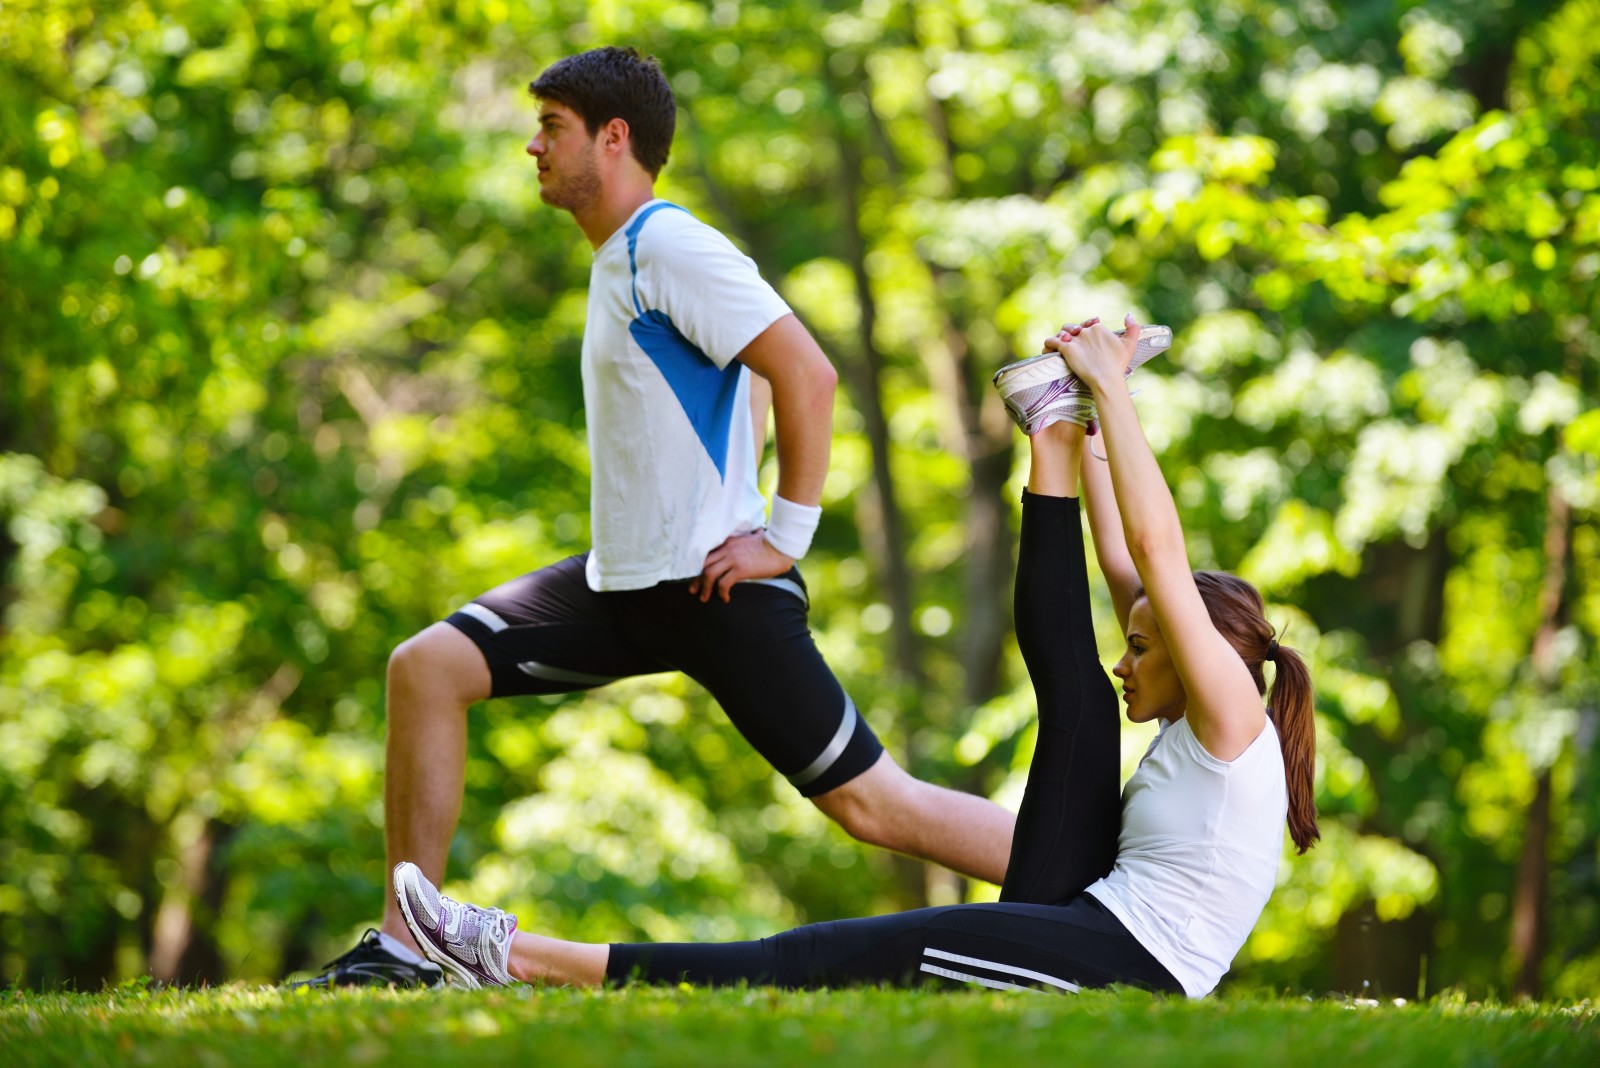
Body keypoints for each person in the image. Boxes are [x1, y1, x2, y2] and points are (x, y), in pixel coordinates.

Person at [295, 46, 1017, 988]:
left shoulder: (670, 243)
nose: (533, 147)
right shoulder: (617, 260)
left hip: (713, 591)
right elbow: (745, 381)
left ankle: (1102, 889)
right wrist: (736, 484)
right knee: (427, 668)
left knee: (873, 806)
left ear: (614, 135)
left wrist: (778, 536)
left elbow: (806, 371)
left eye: (551, 128)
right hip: (621, 585)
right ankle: (408, 945)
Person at [388, 316, 1321, 998]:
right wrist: (1085, 436)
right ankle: (1048, 429)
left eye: (1145, 648)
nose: (1129, 659)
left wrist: (1116, 388)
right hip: (1092, 905)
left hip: (1129, 961)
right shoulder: (1204, 701)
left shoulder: (1231, 714)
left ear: (1207, 657)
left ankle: (510, 956)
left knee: (814, 959)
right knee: (1071, 693)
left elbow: (1157, 555)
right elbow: (1127, 567)